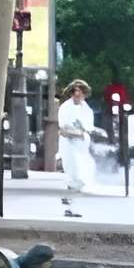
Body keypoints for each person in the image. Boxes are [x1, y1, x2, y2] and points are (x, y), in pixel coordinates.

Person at [57, 80, 97, 217]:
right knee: (73, 173)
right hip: (69, 146)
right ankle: (70, 206)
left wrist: (81, 133)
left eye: (81, 91)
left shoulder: (86, 109)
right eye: (75, 91)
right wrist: (77, 133)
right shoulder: (65, 108)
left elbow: (88, 128)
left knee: (82, 177)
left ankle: (72, 204)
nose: (78, 94)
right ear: (71, 93)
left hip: (82, 147)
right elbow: (64, 129)